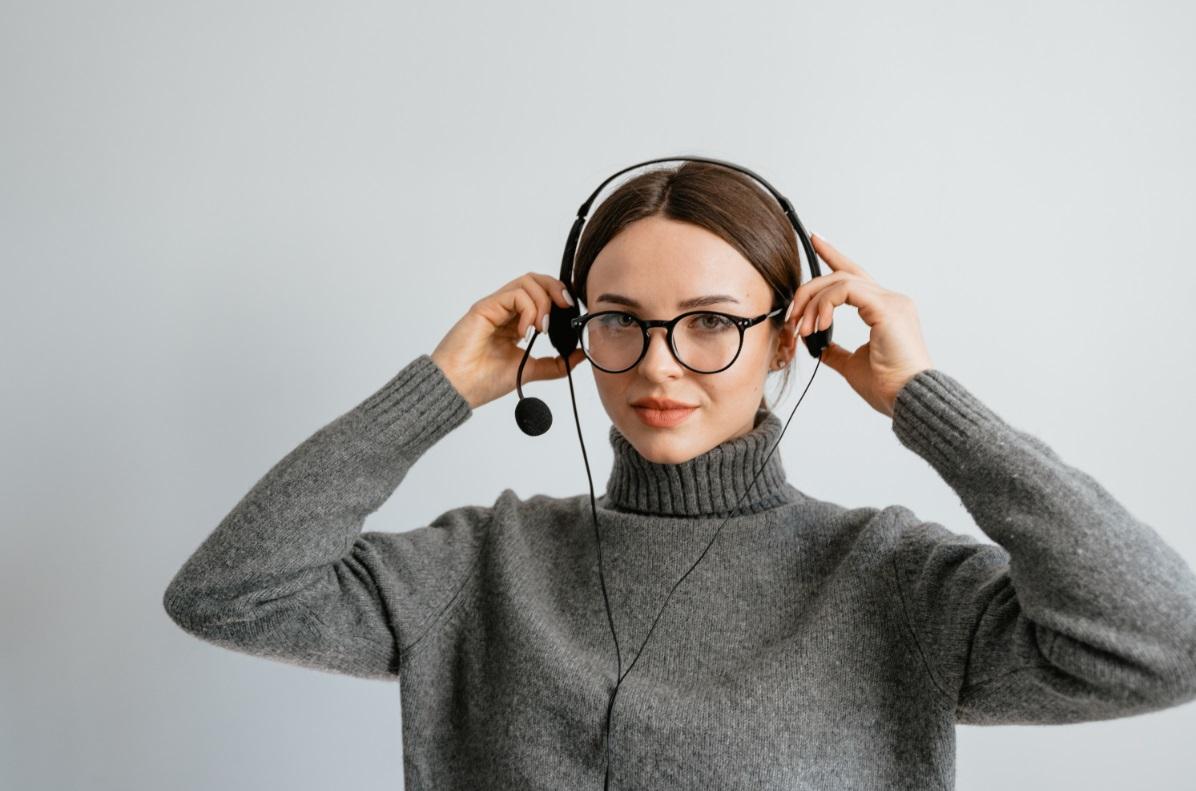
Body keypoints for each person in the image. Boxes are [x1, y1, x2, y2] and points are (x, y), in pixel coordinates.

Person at [163, 162, 1196, 790]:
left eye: (710, 322)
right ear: (575, 330)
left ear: (791, 338)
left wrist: (923, 399)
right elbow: (231, 591)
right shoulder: (483, 566)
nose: (658, 363)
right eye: (620, 320)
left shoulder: (888, 578)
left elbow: (1160, 641)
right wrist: (438, 386)